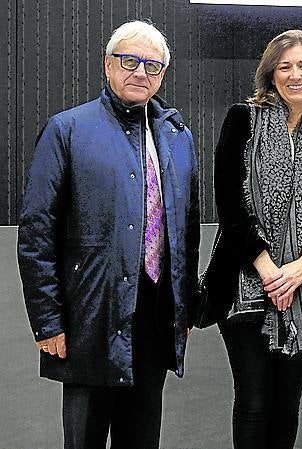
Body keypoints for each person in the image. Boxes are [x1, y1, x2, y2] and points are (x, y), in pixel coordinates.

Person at [17, 20, 200, 449]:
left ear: (163, 75)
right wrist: (47, 321)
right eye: (129, 61)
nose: (140, 72)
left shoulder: (178, 137)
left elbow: (187, 228)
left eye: (152, 66)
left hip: (156, 317)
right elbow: (36, 233)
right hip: (89, 318)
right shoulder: (67, 130)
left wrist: (187, 305)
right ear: (107, 64)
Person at [207, 29, 302, 449]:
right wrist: (269, 270)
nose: (295, 75)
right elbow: (229, 204)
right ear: (270, 75)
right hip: (245, 286)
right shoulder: (242, 119)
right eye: (284, 67)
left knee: (288, 404)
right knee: (254, 400)